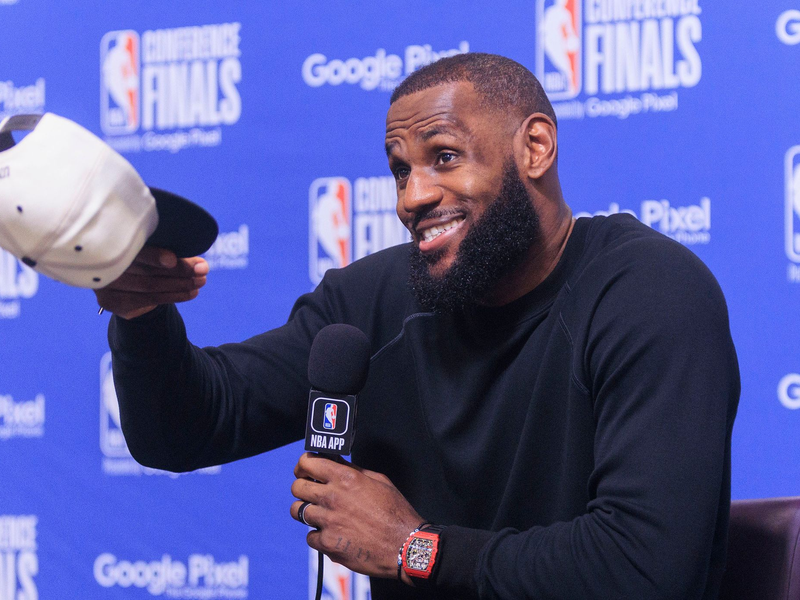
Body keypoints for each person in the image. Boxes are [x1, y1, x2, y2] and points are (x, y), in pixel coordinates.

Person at [97, 53, 740, 599]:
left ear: (535, 148)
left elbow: (648, 569)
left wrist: (414, 549)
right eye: (401, 169)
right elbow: (183, 430)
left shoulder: (649, 291)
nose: (413, 197)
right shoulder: (371, 300)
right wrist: (141, 315)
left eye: (445, 157)